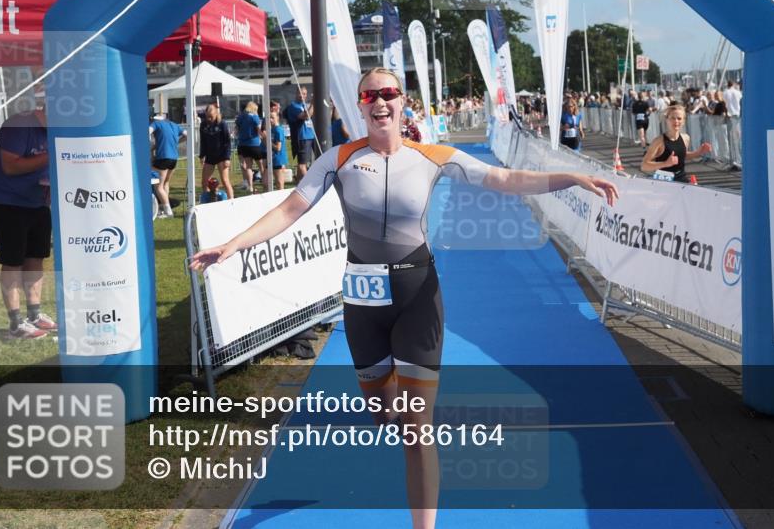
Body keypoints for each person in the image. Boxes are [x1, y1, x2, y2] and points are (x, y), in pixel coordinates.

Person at [191, 67, 618, 529]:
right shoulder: (338, 158)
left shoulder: (432, 156)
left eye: (389, 93)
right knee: (383, 415)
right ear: (359, 105)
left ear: (402, 101)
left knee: (417, 429)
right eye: (370, 95)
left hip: (417, 298)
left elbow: (504, 179)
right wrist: (232, 244)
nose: (380, 101)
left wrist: (571, 177)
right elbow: (291, 209)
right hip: (363, 303)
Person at [0, 98, 56, 339]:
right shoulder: (18, 125)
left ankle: (34, 314)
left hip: (37, 199)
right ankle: (16, 322)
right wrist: (51, 155)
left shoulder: (53, 130)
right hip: (8, 201)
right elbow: (10, 167)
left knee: (36, 257)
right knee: (13, 260)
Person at [641, 103, 712, 183]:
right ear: (667, 120)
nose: (676, 121)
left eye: (679, 118)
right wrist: (665, 163)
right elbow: (644, 166)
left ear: (684, 121)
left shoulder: (686, 138)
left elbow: (682, 156)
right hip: (664, 183)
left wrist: (699, 152)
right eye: (672, 118)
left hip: (682, 179)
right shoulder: (659, 141)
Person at [150, 112, 187, 218]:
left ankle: (168, 211)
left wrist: (152, 147)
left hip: (163, 157)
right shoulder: (174, 125)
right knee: (165, 183)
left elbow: (147, 132)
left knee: (158, 186)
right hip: (174, 159)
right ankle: (163, 207)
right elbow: (187, 135)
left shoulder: (156, 124)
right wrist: (176, 142)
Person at [199, 103, 234, 200]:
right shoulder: (203, 125)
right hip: (210, 156)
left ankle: (231, 201)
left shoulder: (222, 124)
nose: (209, 119)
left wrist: (227, 157)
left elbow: (227, 141)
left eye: (211, 117)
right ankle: (207, 200)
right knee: (204, 181)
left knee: (225, 180)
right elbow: (203, 141)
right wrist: (202, 155)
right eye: (207, 117)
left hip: (222, 156)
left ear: (216, 114)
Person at [235, 101, 265, 194]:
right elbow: (259, 130)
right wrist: (265, 138)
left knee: (248, 167)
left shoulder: (240, 117)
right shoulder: (255, 117)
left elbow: (237, 129)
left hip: (243, 145)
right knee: (262, 166)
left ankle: (250, 187)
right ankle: (265, 184)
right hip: (255, 144)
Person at [286, 86, 316, 179]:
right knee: (302, 164)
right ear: (296, 94)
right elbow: (306, 116)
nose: (302, 96)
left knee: (309, 161)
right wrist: (313, 103)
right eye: (300, 93)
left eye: (304, 94)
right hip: (302, 137)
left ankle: (298, 184)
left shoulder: (304, 105)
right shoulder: (293, 106)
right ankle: (308, 183)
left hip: (311, 136)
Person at [268, 110, 290, 190]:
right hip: (273, 158)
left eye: (272, 118)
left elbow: (278, 147)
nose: (270, 120)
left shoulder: (278, 130)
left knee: (279, 182)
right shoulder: (272, 129)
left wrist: (267, 141)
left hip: (279, 159)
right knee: (276, 182)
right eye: (269, 117)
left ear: (277, 118)